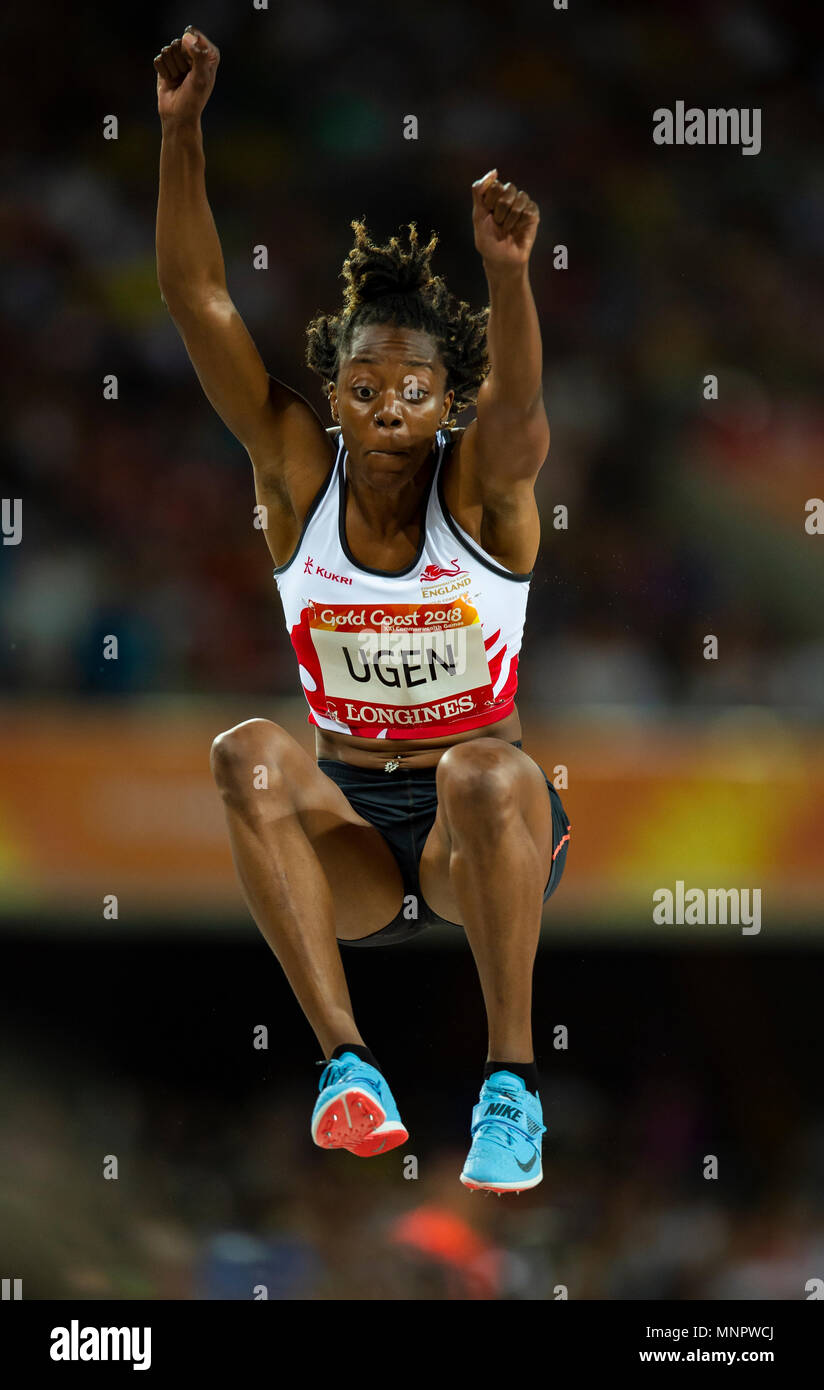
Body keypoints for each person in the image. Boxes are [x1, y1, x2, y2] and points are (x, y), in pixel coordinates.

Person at [154, 26, 570, 1194]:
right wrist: (182, 131)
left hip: (476, 839)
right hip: (352, 837)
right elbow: (194, 298)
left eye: (416, 387)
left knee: (482, 770)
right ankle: (348, 1071)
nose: (388, 403)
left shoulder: (483, 494)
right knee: (244, 751)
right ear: (332, 393)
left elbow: (527, 417)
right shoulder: (295, 473)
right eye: (364, 384)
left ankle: (510, 1089)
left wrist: (506, 275)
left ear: (447, 402)